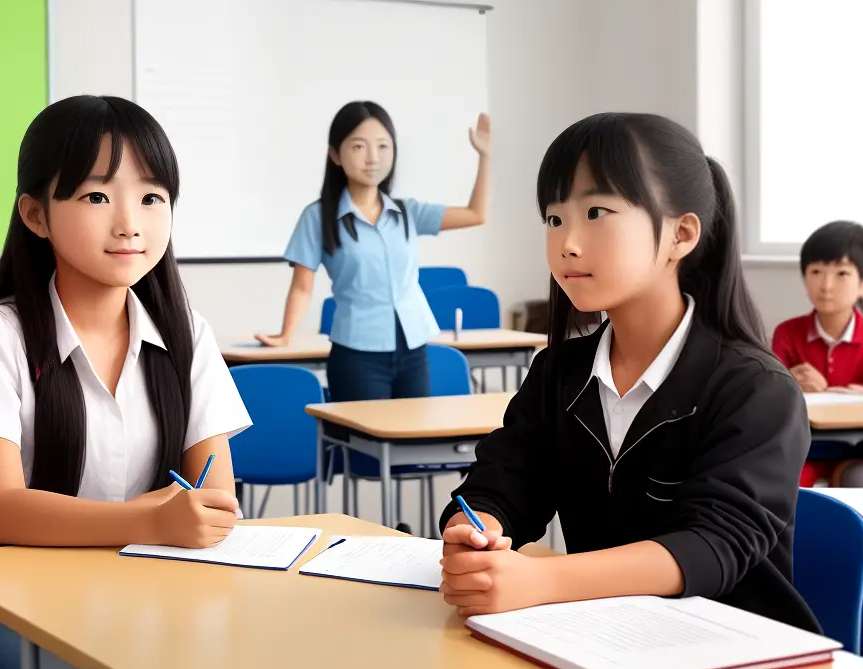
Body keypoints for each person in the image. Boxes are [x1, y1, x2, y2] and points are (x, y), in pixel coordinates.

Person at [0, 95, 251, 669]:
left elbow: (216, 498)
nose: (131, 222)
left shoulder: (190, 336)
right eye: (98, 196)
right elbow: (2, 511)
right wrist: (147, 521)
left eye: (153, 197)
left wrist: (182, 521)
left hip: (139, 598)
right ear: (36, 214)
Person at [439, 112, 819, 633]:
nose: (567, 242)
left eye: (596, 212)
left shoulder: (756, 388)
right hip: (604, 646)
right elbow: (503, 482)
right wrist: (473, 532)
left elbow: (711, 545)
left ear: (681, 235)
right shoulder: (559, 373)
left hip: (735, 660)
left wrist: (540, 582)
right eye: (553, 219)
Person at [256, 101, 490, 403]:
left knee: (411, 440)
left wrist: (485, 156)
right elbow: (303, 287)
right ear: (335, 154)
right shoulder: (318, 217)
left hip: (414, 348)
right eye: (358, 147)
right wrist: (286, 334)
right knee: (365, 446)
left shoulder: (408, 212)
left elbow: (476, 214)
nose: (372, 158)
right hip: (357, 355)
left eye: (383, 146)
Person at [771, 221, 863, 486]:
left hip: (857, 452)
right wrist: (790, 382)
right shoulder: (787, 333)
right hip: (804, 450)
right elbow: (769, 394)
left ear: (861, 285)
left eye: (842, 273)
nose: (826, 285)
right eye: (816, 271)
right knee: (786, 484)